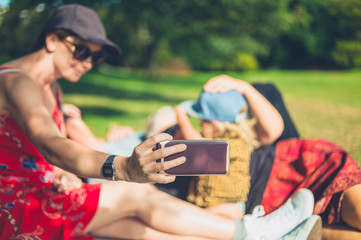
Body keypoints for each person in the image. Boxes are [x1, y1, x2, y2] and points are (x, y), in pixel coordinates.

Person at [0, 4, 317, 240]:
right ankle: (256, 231)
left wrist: (60, 174)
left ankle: (264, 237)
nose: (87, 63)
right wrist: (123, 168)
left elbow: (35, 156)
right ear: (53, 39)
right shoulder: (18, 81)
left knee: (143, 232)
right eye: (81, 50)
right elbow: (51, 144)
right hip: (17, 208)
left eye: (95, 57)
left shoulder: (50, 86)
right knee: (136, 196)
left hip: (40, 196)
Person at [177, 75, 361, 240]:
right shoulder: (216, 148)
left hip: (306, 168)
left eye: (201, 120)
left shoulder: (250, 138)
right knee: (322, 231)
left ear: (214, 123)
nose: (200, 126)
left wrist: (243, 87)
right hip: (280, 209)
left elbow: (275, 127)